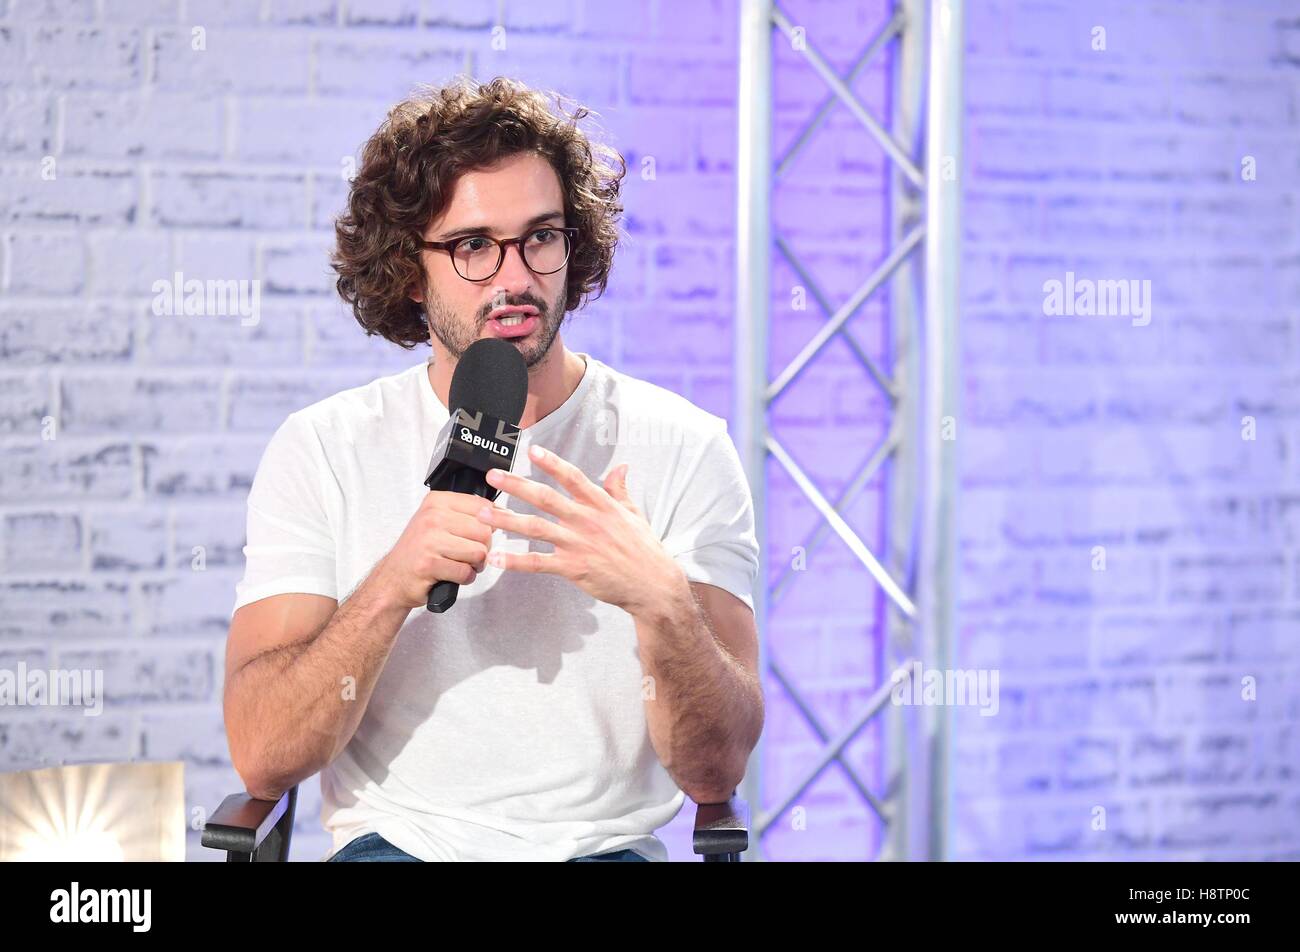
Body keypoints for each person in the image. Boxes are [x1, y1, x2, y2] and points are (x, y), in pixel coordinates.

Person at [223, 76, 763, 862]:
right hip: (399, 848)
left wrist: (663, 604)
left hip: (603, 852)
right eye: (474, 246)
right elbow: (262, 754)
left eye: (541, 236)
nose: (515, 278)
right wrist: (392, 584)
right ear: (410, 270)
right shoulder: (324, 449)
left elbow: (718, 770)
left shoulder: (684, 446)